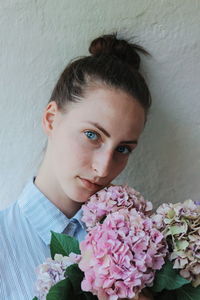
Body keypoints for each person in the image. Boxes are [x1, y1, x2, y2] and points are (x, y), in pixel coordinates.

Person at [0, 33, 153, 300]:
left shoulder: (142, 245)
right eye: (92, 135)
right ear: (51, 119)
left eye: (122, 149)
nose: (104, 168)